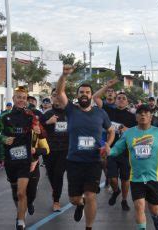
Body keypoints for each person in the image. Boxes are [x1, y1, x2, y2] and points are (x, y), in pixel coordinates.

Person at [106, 104, 158, 230]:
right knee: (139, 206)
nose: (143, 115)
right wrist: (109, 151)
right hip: (136, 178)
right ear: (136, 117)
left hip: (154, 177)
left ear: (150, 117)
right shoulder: (129, 133)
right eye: (140, 113)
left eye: (146, 113)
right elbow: (117, 148)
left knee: (154, 208)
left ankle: (155, 216)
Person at [55, 65, 115, 230]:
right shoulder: (71, 110)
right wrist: (64, 76)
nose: (84, 95)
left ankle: (88, 227)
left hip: (94, 161)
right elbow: (60, 92)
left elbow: (111, 131)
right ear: (77, 95)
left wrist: (107, 145)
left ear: (91, 95)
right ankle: (79, 205)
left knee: (90, 195)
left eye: (87, 92)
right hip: (74, 161)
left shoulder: (100, 113)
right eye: (81, 92)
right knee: (75, 199)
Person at [0, 86, 46, 230]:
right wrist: (3, 138)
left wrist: (39, 130)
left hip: (25, 160)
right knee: (16, 193)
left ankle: (20, 221)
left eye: (23, 98)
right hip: (10, 160)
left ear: (26, 100)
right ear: (14, 99)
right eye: (18, 97)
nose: (21, 100)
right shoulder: (4, 117)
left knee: (22, 192)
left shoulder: (30, 116)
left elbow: (42, 134)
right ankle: (21, 211)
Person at [93, 79, 137, 211]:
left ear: (127, 102)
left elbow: (138, 133)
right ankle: (115, 190)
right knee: (111, 178)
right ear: (115, 100)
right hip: (111, 150)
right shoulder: (108, 110)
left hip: (126, 152)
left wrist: (127, 130)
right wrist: (107, 86)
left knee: (125, 179)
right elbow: (95, 97)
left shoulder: (132, 116)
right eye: (119, 98)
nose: (121, 100)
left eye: (124, 98)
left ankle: (124, 200)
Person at [41, 89, 69, 212]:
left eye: (59, 96)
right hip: (49, 150)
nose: (56, 98)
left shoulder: (70, 113)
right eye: (54, 96)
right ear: (51, 98)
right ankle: (56, 192)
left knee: (58, 174)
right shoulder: (47, 114)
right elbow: (39, 131)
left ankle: (56, 200)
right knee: (52, 175)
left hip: (65, 150)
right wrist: (48, 122)